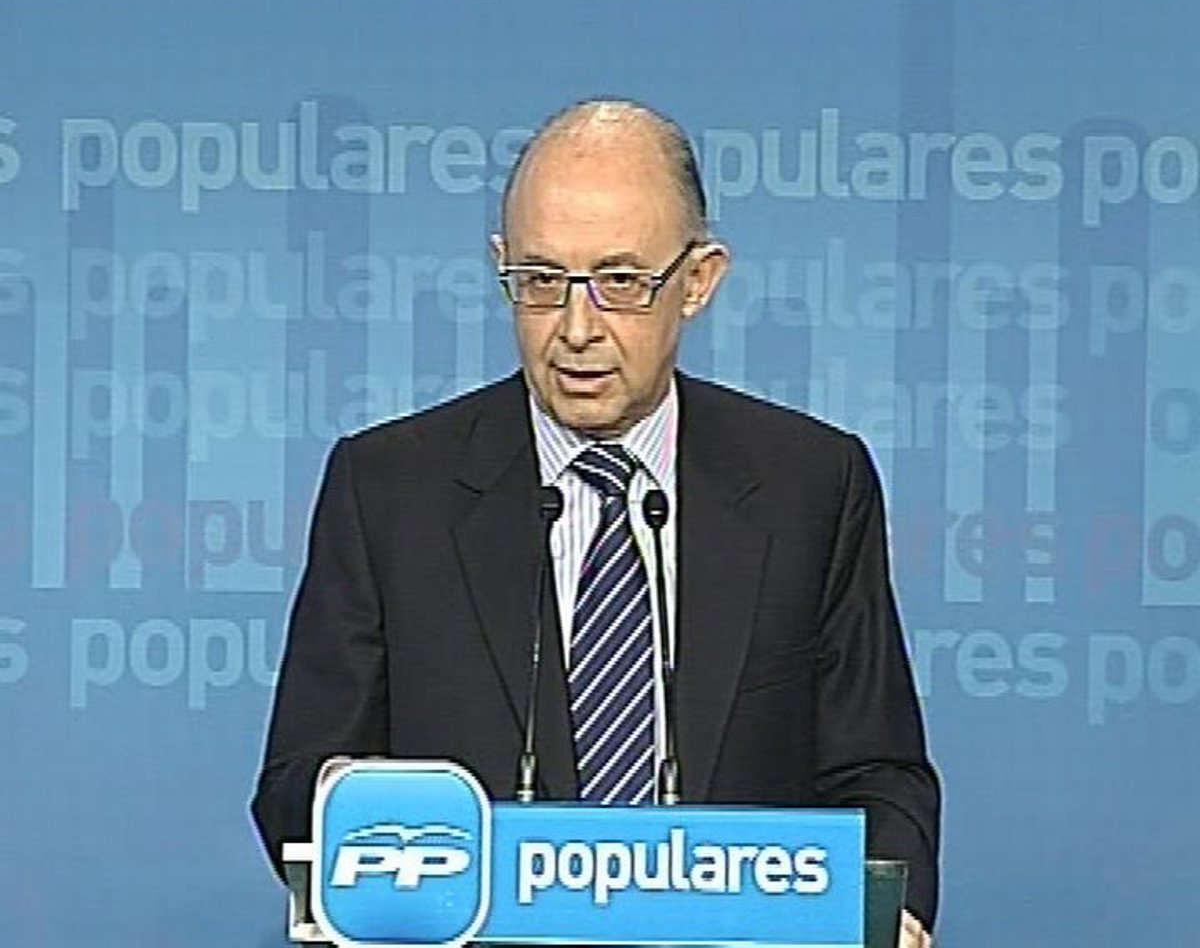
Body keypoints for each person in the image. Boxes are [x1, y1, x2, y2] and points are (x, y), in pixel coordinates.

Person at [251, 100, 940, 947]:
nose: (577, 330)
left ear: (698, 280)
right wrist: (399, 846)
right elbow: (299, 785)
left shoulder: (811, 485)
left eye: (620, 283)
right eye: (542, 281)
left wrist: (889, 915)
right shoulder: (389, 490)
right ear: (501, 268)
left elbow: (878, 772)